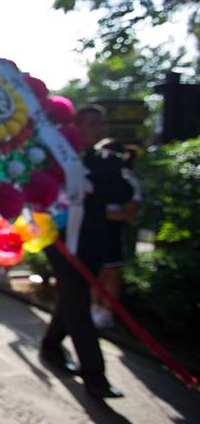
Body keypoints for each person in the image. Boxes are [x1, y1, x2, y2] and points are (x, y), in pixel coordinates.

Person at [40, 105, 133, 399]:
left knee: (72, 297)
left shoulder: (104, 160)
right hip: (62, 244)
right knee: (78, 304)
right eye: (91, 124)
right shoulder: (54, 158)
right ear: (75, 127)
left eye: (101, 124)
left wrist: (112, 166)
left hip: (93, 242)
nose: (98, 130)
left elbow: (122, 194)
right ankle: (95, 376)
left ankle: (51, 345)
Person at [91, 139, 142, 328]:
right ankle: (94, 307)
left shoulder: (127, 178)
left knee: (110, 271)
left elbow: (130, 212)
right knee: (93, 271)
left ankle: (106, 311)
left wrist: (97, 212)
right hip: (92, 229)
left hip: (112, 231)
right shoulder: (91, 176)